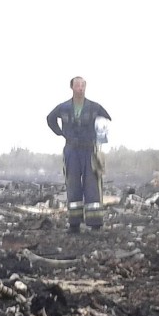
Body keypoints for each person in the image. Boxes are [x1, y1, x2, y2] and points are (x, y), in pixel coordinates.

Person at [46, 76, 112, 232]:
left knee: (92, 185)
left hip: (89, 150)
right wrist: (60, 132)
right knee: (73, 185)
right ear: (72, 87)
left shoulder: (94, 107)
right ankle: (74, 224)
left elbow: (107, 119)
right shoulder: (63, 108)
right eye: (77, 85)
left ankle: (95, 223)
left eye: (83, 85)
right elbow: (50, 119)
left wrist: (101, 133)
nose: (80, 88)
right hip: (71, 150)